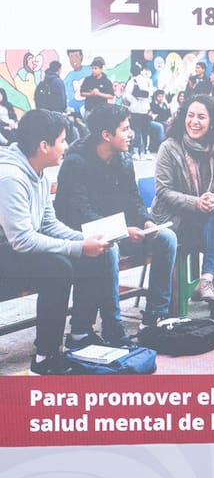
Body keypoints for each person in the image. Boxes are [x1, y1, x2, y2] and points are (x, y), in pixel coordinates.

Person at [0, 110, 117, 373]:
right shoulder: (10, 178)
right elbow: (22, 240)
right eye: (62, 140)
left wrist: (86, 240)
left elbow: (49, 224)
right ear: (44, 146)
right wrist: (78, 247)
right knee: (58, 267)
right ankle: (46, 356)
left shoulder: (39, 171)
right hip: (7, 250)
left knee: (94, 255)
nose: (66, 146)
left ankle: (80, 334)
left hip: (15, 249)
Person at [55, 103, 178, 330]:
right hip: (84, 236)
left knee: (167, 238)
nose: (131, 134)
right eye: (125, 129)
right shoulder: (76, 162)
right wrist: (122, 232)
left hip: (119, 232)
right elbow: (82, 214)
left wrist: (146, 221)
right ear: (106, 135)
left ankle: (156, 315)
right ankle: (113, 325)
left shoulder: (123, 158)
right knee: (110, 249)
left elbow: (134, 198)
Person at [151, 94, 214, 324]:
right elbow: (163, 190)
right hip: (174, 222)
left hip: (205, 220)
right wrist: (195, 202)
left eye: (201, 117)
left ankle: (207, 280)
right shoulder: (169, 147)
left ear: (212, 122)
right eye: (190, 115)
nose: (194, 121)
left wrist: (213, 198)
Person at [124, 63, 162, 157]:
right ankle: (145, 151)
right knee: (146, 131)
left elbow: (127, 96)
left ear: (131, 72)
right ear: (140, 71)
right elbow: (150, 95)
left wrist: (133, 102)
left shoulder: (131, 82)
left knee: (136, 131)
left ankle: (136, 151)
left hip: (135, 110)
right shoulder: (146, 81)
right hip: (145, 110)